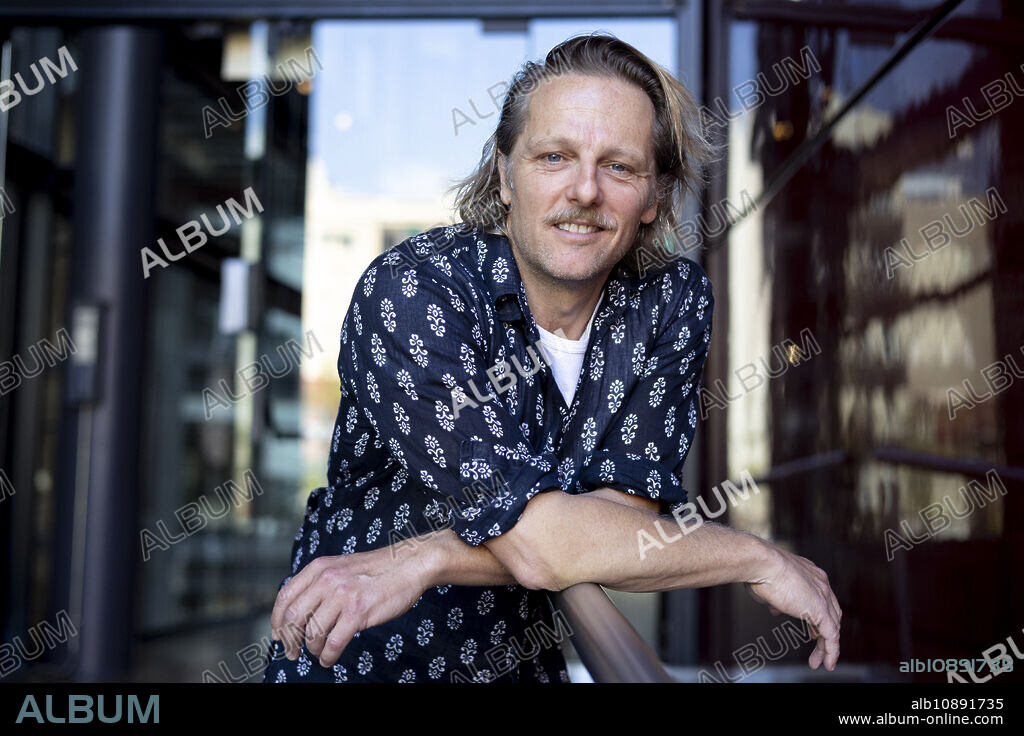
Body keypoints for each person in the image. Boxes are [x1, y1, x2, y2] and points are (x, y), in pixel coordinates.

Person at [261, 32, 840, 683]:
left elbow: (621, 522)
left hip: (523, 666)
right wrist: (756, 559)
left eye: (619, 167)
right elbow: (544, 546)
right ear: (505, 175)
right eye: (554, 156)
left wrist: (424, 557)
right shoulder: (416, 292)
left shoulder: (668, 302)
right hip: (366, 661)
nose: (585, 190)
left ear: (654, 198)